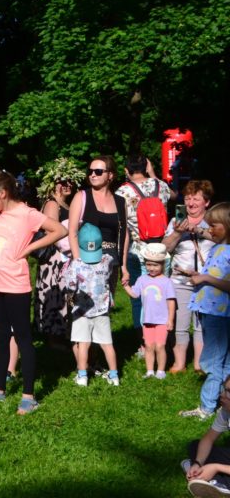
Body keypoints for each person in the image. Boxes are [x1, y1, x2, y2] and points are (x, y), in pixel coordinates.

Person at [0, 170, 66, 415]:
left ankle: (28, 396)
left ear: (3, 193)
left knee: (23, 338)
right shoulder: (0, 215)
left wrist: (29, 248)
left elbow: (60, 230)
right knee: (1, 336)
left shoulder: (27, 214)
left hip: (15, 286)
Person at [180, 203, 230, 420]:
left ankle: (207, 407)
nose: (209, 230)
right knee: (223, 360)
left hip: (221, 314)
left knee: (213, 361)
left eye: (214, 225)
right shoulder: (218, 248)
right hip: (210, 311)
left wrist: (206, 278)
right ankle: (223, 403)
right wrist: (196, 275)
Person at [116, 155, 175, 332]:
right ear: (146, 167)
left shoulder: (122, 192)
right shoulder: (161, 186)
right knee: (162, 294)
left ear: (126, 170)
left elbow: (122, 226)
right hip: (162, 250)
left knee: (139, 297)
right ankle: (164, 333)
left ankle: (143, 338)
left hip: (137, 249)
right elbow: (174, 196)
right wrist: (153, 174)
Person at [163, 180, 215, 373]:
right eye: (187, 198)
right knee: (180, 322)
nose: (191, 203)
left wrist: (198, 230)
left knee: (201, 324)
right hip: (180, 279)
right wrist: (177, 233)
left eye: (196, 199)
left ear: (206, 202)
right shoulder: (175, 221)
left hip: (206, 280)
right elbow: (165, 248)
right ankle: (179, 363)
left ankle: (199, 363)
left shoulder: (214, 221)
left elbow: (222, 239)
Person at [34, 157, 85, 348]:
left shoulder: (66, 204)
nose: (67, 185)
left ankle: (64, 333)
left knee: (65, 296)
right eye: (62, 181)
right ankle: (53, 338)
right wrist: (68, 250)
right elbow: (52, 233)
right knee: (54, 296)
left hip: (67, 257)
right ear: (53, 184)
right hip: (55, 259)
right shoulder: (52, 204)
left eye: (70, 181)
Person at [64, 224, 119, 386]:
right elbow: (109, 276)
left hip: (82, 310)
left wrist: (70, 298)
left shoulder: (76, 264)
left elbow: (70, 287)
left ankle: (82, 376)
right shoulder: (106, 260)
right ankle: (114, 376)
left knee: (83, 344)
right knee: (107, 344)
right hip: (102, 310)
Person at [68, 155, 129, 295]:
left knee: (107, 304)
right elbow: (72, 232)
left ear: (110, 175)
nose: (93, 174)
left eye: (98, 171)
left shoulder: (120, 202)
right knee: (85, 305)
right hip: (87, 260)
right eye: (90, 171)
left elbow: (124, 234)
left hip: (112, 263)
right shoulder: (81, 197)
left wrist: (123, 266)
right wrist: (78, 262)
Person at [122, 243, 176, 379]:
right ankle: (150, 371)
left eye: (155, 265)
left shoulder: (167, 282)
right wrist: (126, 286)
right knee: (148, 345)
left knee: (160, 346)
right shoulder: (142, 279)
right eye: (149, 264)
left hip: (162, 321)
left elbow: (171, 301)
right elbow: (135, 294)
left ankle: (161, 371)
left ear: (163, 264)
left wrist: (170, 319)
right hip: (147, 320)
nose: (151, 268)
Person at [182, 374, 230, 497]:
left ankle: (221, 484)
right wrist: (198, 463)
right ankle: (200, 472)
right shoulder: (226, 412)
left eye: (229, 392)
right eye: (223, 389)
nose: (222, 395)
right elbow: (209, 438)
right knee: (196, 445)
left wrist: (216, 467)